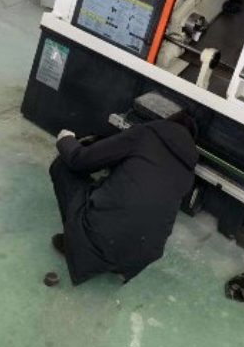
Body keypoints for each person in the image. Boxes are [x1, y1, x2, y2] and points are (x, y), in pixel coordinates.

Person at [49, 111, 199, 285]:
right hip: (139, 258)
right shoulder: (188, 174)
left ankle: (75, 243)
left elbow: (80, 160)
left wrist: (65, 140)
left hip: (103, 236)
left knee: (63, 166)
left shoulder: (146, 134)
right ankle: (116, 262)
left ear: (167, 123)